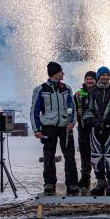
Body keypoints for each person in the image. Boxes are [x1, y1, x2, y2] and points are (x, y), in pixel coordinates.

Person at [30, 61, 79, 196]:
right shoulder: (40, 89)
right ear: (55, 73)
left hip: (65, 127)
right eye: (61, 71)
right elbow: (35, 110)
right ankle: (49, 183)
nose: (63, 73)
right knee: (49, 156)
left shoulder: (67, 88)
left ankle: (72, 183)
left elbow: (72, 107)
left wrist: (72, 122)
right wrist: (37, 130)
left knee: (69, 156)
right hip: (48, 127)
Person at [83, 67, 110, 196]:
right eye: (102, 75)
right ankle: (100, 182)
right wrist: (93, 121)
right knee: (96, 156)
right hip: (95, 129)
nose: (105, 77)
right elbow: (86, 111)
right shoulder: (91, 92)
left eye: (107, 75)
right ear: (98, 76)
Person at [74, 71, 97, 191]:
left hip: (96, 128)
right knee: (84, 153)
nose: (89, 81)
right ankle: (85, 177)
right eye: (87, 78)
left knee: (98, 153)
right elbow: (72, 110)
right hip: (83, 128)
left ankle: (100, 178)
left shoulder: (100, 92)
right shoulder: (78, 94)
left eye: (92, 79)